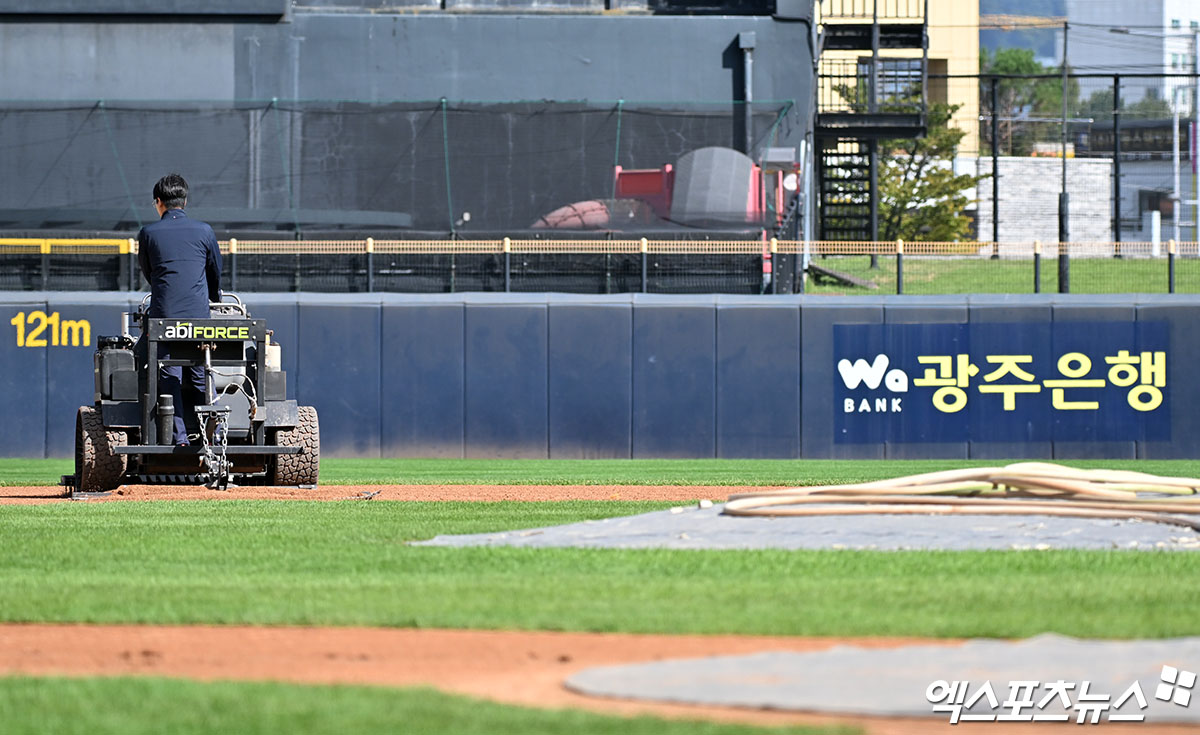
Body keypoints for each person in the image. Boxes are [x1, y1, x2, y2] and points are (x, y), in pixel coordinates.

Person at [137, 173, 222, 445]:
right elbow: (214, 272)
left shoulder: (148, 233)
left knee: (169, 375)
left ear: (158, 202)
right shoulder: (205, 231)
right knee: (201, 373)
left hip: (164, 317)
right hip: (199, 316)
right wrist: (211, 296)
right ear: (185, 201)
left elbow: (150, 273)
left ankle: (178, 438)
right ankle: (212, 434)